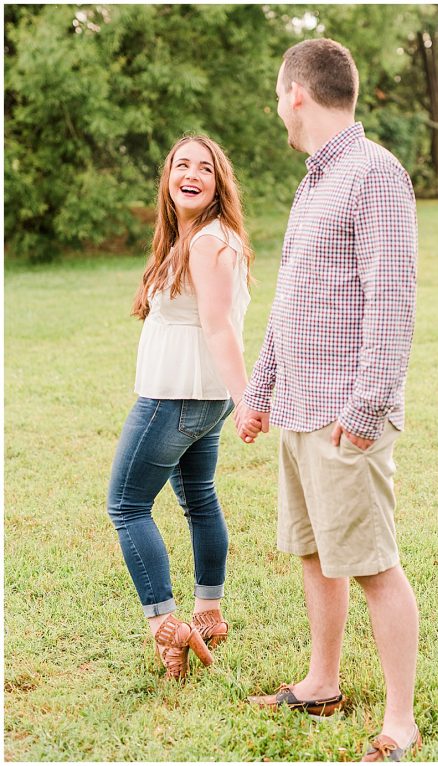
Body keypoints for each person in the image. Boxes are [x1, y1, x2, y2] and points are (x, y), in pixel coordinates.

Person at [235, 39, 420, 761]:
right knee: (314, 555)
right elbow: (291, 302)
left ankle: (399, 721)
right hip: (300, 408)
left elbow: (392, 302)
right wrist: (259, 392)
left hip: (347, 416)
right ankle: (322, 684)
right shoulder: (315, 180)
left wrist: (365, 410)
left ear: (296, 94)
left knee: (373, 564)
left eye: (278, 95)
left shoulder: (374, 173)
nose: (278, 106)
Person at [107, 135, 253, 680]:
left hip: (177, 393)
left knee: (125, 505)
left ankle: (168, 628)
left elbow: (219, 327)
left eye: (205, 168)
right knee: (198, 497)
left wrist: (246, 401)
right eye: (181, 165)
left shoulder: (206, 242)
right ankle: (210, 613)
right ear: (168, 177)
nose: (191, 174)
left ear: (219, 184)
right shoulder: (198, 236)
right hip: (199, 395)